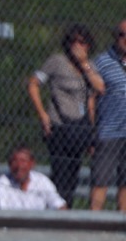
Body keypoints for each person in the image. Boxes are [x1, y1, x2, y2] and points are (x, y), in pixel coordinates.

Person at [26, 23, 103, 206]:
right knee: (60, 174)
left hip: (80, 127)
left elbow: (99, 89)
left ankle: (66, 209)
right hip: (59, 124)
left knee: (73, 175)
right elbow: (33, 83)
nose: (77, 46)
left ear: (88, 46)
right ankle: (58, 213)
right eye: (73, 42)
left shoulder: (90, 66)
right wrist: (43, 115)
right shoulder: (57, 61)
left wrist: (84, 64)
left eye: (82, 43)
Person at [90, 20, 126, 211]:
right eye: (122, 34)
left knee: (125, 185)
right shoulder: (102, 61)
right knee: (100, 182)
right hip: (108, 132)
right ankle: (92, 226)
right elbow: (91, 98)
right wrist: (91, 129)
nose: (125, 39)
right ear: (115, 37)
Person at [0, 143, 66, 210]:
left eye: (23, 161)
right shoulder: (2, 183)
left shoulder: (42, 181)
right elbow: (0, 216)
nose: (19, 166)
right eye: (14, 161)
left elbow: (59, 206)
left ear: (32, 164)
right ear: (9, 164)